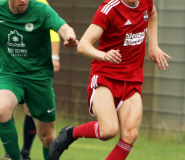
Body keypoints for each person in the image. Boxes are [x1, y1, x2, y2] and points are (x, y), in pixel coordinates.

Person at [0, 0, 78, 160]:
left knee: (48, 138)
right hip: (10, 75)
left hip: (39, 79)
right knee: (1, 110)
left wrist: (70, 36)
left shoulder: (42, 10)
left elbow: (64, 28)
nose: (23, 0)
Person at [49, 0, 172, 160]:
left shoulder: (145, 2)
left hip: (132, 79)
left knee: (131, 134)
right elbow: (83, 45)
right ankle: (70, 133)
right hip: (105, 77)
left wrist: (153, 45)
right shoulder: (109, 9)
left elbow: (152, 13)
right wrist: (104, 55)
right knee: (108, 131)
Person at [0, 0, 61, 159]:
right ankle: (11, 153)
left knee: (31, 112)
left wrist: (54, 56)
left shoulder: (39, 4)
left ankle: (25, 151)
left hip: (32, 60)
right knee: (3, 107)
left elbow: (54, 30)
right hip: (4, 58)